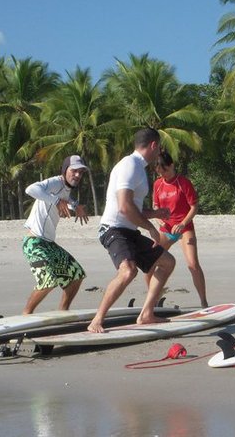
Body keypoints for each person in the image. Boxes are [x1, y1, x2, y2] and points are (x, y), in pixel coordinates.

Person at [88, 128, 176, 333]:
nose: (159, 152)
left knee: (167, 262)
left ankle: (146, 314)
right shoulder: (130, 165)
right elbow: (124, 207)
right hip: (113, 229)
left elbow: (133, 207)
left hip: (128, 230)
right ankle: (97, 320)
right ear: (153, 145)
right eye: (159, 147)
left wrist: (155, 213)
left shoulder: (137, 167)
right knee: (128, 271)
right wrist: (151, 229)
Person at [21, 155, 90, 314]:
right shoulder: (55, 182)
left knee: (77, 275)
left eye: (81, 172)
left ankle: (62, 312)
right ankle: (26, 315)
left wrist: (76, 205)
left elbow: (66, 199)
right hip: (33, 242)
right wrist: (57, 201)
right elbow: (31, 189)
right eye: (74, 171)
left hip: (49, 244)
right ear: (65, 170)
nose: (78, 175)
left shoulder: (66, 189)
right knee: (48, 281)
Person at [152, 151, 208, 307]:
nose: (164, 175)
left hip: (184, 228)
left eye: (166, 170)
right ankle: (153, 301)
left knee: (192, 264)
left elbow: (194, 207)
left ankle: (203, 301)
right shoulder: (157, 184)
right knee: (149, 262)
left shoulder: (183, 183)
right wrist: (159, 222)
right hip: (166, 229)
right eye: (160, 172)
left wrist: (183, 223)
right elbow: (155, 207)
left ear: (172, 165)